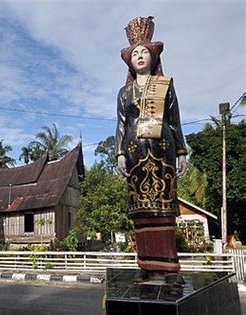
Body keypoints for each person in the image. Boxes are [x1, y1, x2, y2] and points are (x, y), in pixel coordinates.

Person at [115, 16, 188, 284]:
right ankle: (145, 264)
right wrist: (120, 153)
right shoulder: (124, 93)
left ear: (154, 57)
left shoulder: (165, 85)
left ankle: (169, 269)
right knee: (141, 209)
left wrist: (181, 151)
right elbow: (121, 125)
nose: (141, 56)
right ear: (130, 60)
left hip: (163, 150)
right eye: (136, 53)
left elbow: (174, 119)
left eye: (145, 51)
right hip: (135, 152)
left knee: (164, 207)